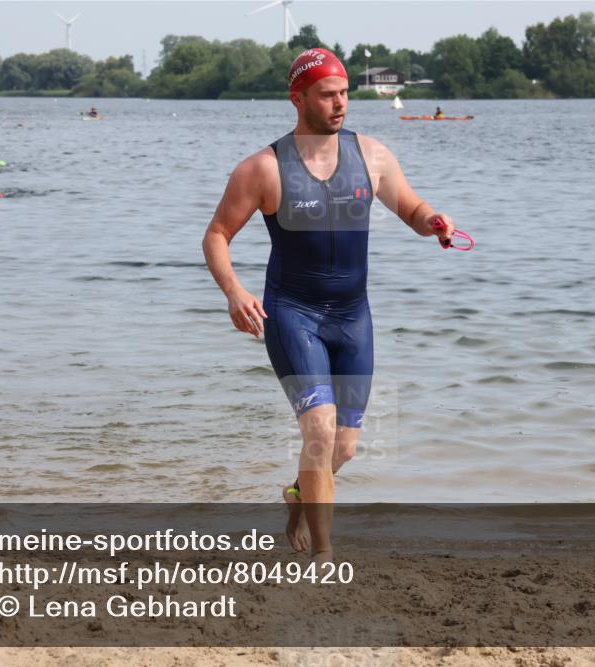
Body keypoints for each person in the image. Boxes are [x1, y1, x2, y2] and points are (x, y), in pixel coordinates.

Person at [202, 48, 456, 563]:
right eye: (327, 94)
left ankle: (298, 495)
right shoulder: (263, 168)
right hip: (293, 314)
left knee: (343, 448)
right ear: (299, 98)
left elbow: (409, 205)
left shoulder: (373, 155)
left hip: (353, 318)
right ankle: (323, 554)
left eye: (344, 93)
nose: (340, 104)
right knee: (318, 432)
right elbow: (216, 235)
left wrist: (433, 222)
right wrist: (235, 291)